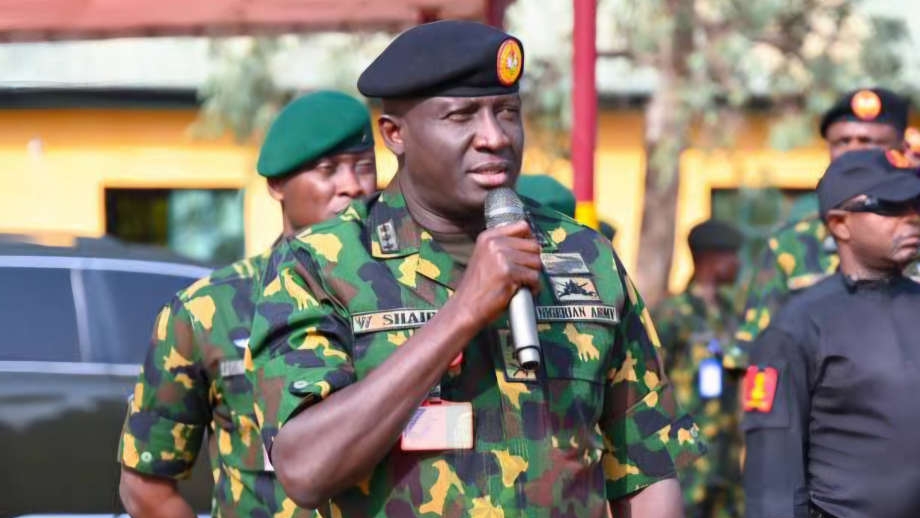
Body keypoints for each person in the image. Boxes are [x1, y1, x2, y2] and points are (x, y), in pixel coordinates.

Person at [247, 20, 704, 518]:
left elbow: (646, 468)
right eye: (461, 116)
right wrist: (461, 313)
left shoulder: (584, 255)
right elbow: (305, 470)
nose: (494, 137)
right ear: (395, 134)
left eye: (507, 112)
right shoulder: (321, 264)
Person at [117, 90, 377, 517]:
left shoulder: (410, 292)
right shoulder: (206, 311)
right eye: (328, 170)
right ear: (277, 186)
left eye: (364, 166)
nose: (353, 186)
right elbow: (146, 488)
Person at [742, 148, 920, 518]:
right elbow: (773, 477)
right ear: (840, 224)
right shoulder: (798, 325)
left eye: (916, 204)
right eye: (890, 206)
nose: (911, 218)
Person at [725, 87, 909, 369]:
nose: (854, 151)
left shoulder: (913, 233)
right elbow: (752, 359)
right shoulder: (790, 245)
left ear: (902, 149)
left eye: (869, 141)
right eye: (842, 142)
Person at [654, 220, 744, 518]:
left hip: (726, 451)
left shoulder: (729, 312)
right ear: (711, 259)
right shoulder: (674, 313)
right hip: (687, 452)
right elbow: (652, 378)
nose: (738, 263)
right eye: (732, 255)